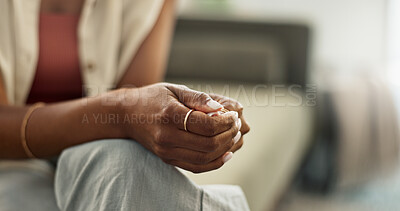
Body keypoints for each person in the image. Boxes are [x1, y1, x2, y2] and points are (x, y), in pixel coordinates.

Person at [0, 0, 251, 210]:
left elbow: (136, 112)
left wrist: (189, 118)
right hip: (8, 161)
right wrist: (120, 110)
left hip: (98, 148)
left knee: (128, 164)